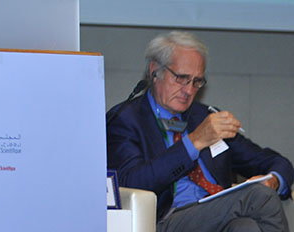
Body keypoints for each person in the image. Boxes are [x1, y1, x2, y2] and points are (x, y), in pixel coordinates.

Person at [107, 31, 292, 231]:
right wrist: (193, 142)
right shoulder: (126, 119)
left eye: (196, 82)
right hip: (165, 219)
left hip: (217, 214)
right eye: (181, 78)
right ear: (155, 71)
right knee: (259, 196)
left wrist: (274, 179)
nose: (189, 90)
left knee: (246, 227)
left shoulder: (204, 116)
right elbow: (131, 183)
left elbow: (274, 161)